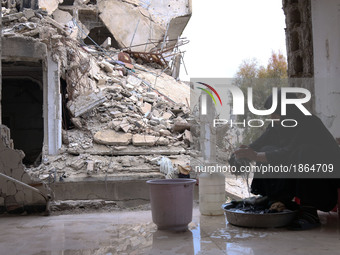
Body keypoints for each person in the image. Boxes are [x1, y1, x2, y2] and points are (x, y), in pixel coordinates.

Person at [233, 91, 340, 230]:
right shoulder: (277, 125)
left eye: (275, 113)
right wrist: (242, 152)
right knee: (266, 149)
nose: (272, 117)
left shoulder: (308, 122)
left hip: (324, 182)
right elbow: (257, 146)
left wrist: (255, 155)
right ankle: (272, 198)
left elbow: (288, 153)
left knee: (305, 152)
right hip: (298, 176)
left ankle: (309, 211)